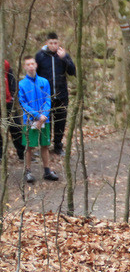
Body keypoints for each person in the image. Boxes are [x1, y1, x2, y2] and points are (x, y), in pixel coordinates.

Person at [34, 32, 75, 156]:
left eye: (55, 43)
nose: (53, 45)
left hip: (61, 94)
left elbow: (72, 71)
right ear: (46, 43)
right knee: (45, 121)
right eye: (51, 43)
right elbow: (34, 74)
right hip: (45, 96)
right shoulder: (40, 56)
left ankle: (58, 146)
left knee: (60, 121)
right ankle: (43, 146)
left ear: (59, 43)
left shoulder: (63, 56)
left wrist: (65, 58)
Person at [19, 56, 57, 184]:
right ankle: (28, 171)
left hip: (44, 120)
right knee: (29, 146)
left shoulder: (44, 82)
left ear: (36, 65)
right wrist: (36, 115)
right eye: (28, 64)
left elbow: (48, 99)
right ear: (25, 67)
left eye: (32, 63)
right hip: (30, 120)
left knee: (45, 145)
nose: (30, 66)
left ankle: (47, 170)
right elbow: (23, 103)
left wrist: (44, 115)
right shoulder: (22, 84)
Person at [2, 60, 25, 161]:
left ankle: (22, 154)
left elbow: (11, 79)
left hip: (7, 102)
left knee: (16, 128)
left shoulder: (5, 63)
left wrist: (12, 94)